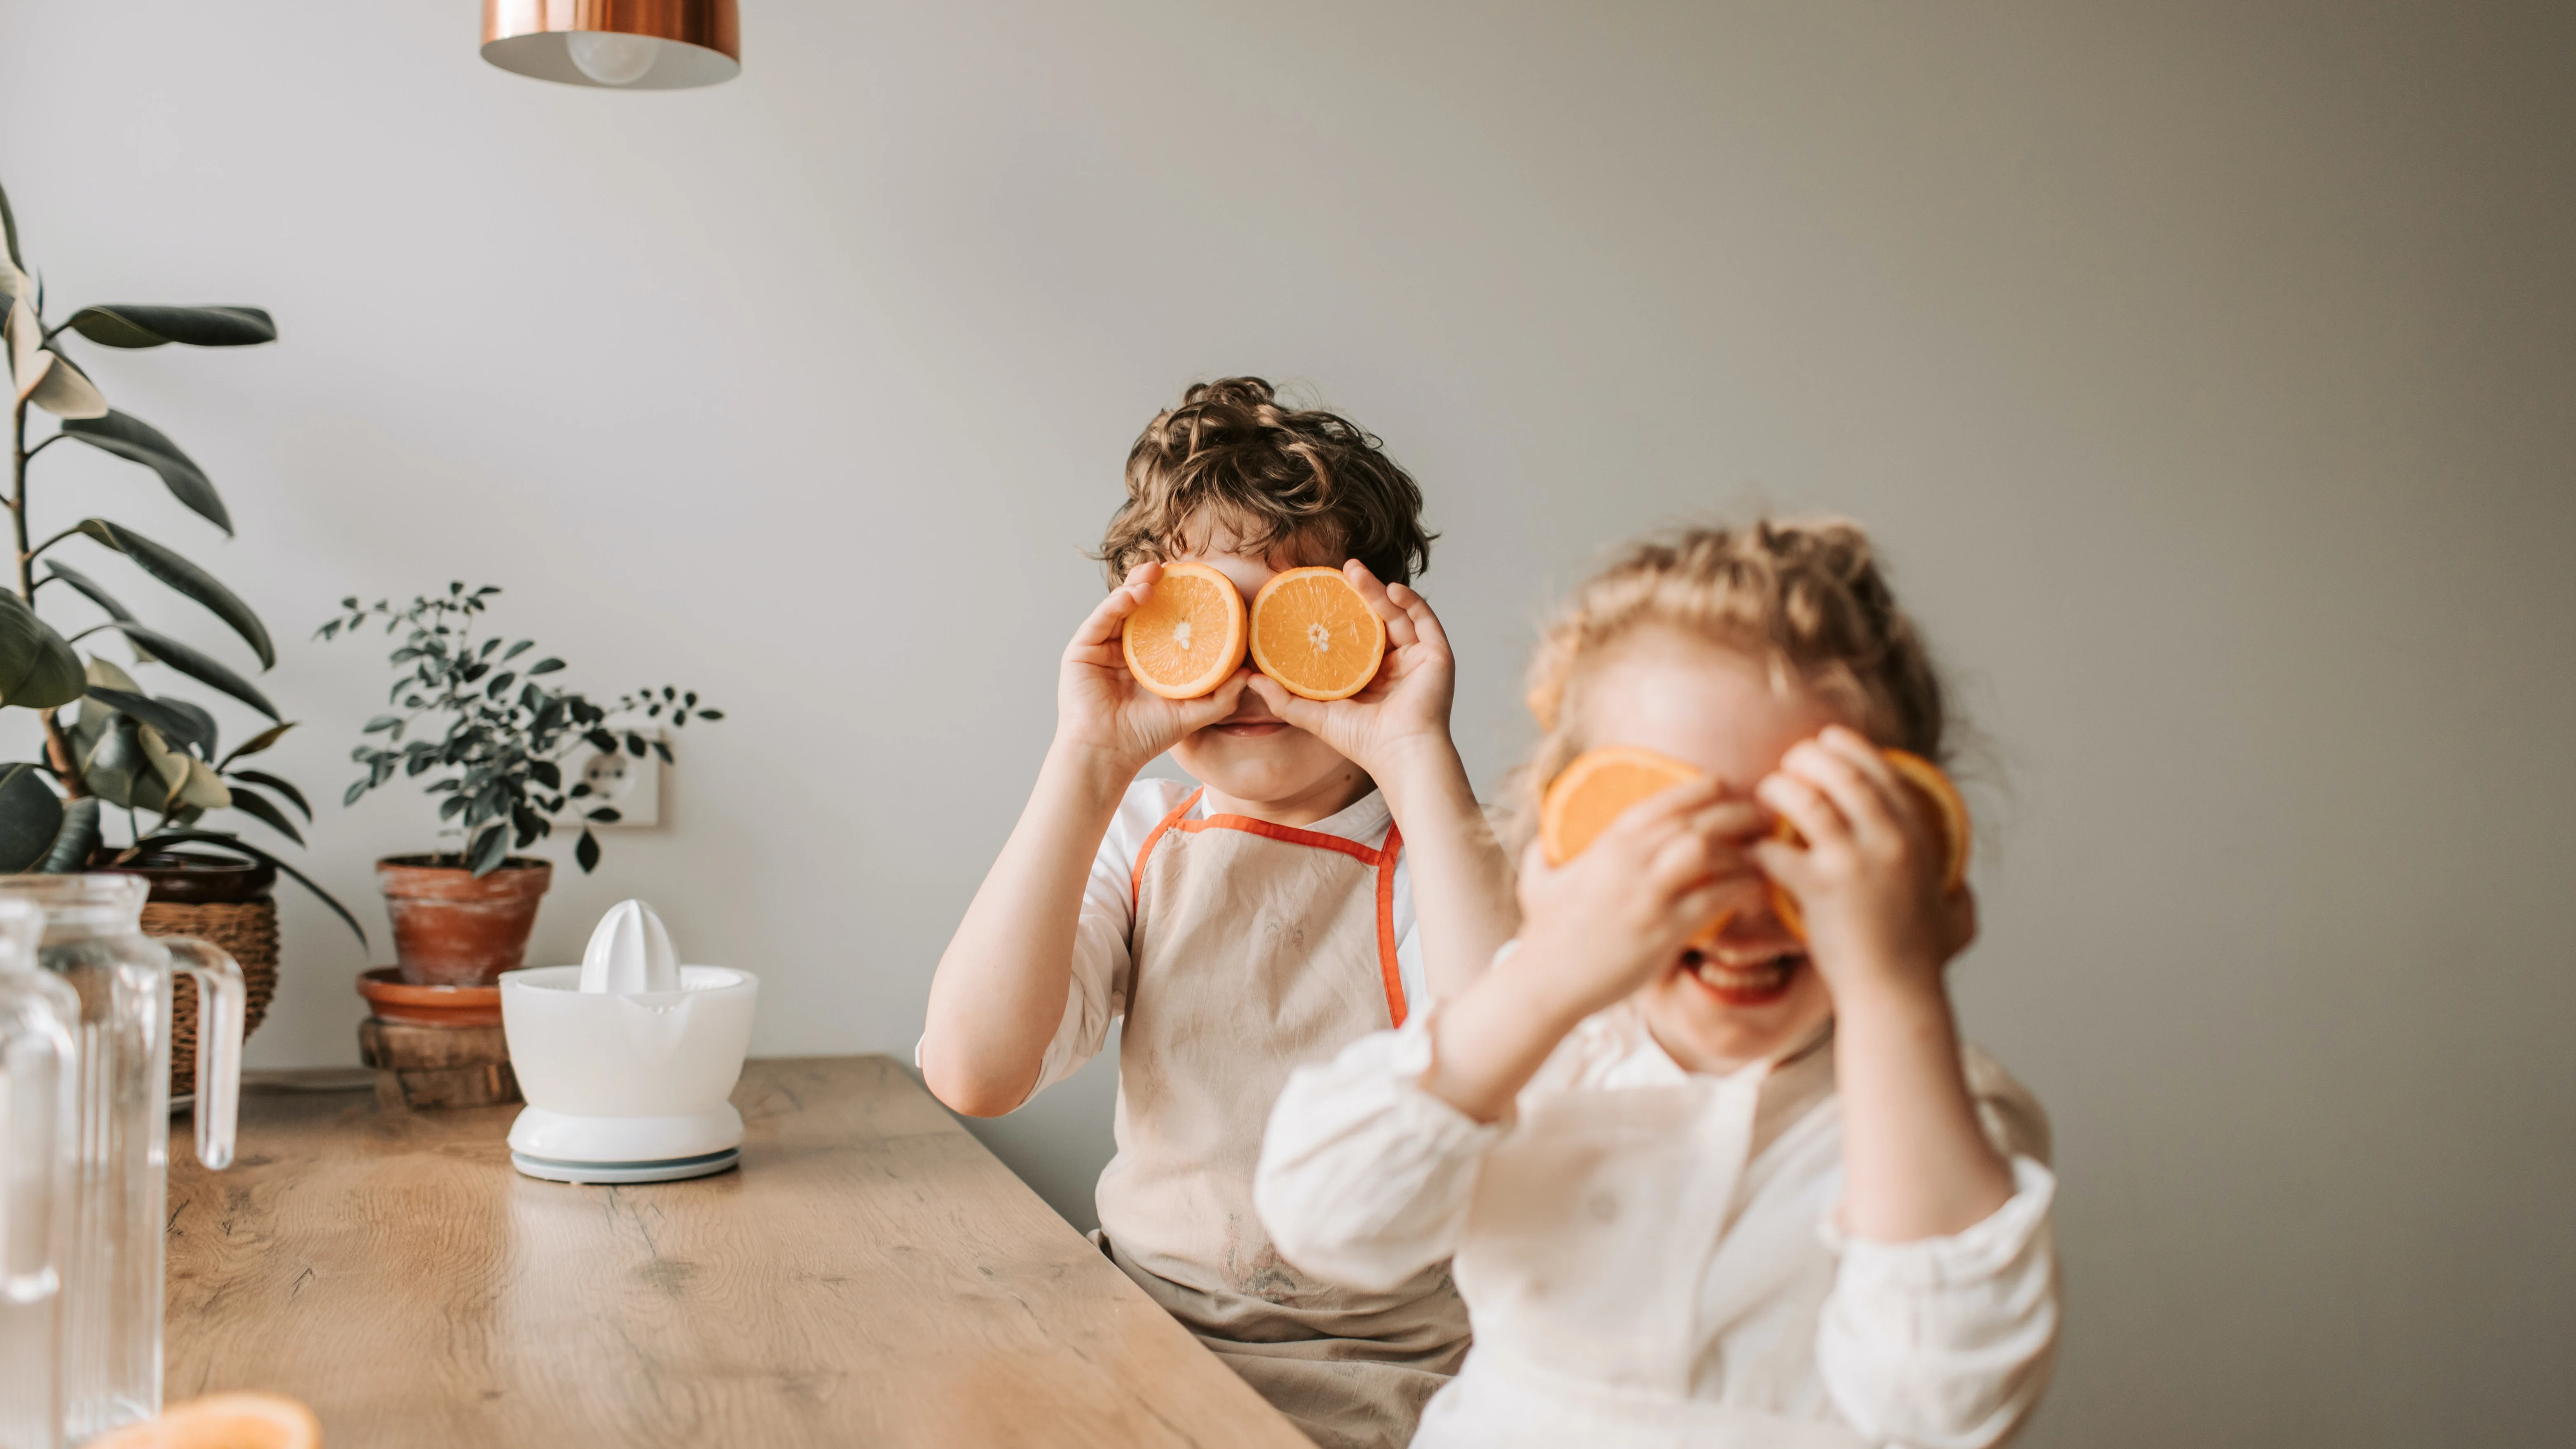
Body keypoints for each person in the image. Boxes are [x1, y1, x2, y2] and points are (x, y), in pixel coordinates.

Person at [1255, 520, 2059, 1448]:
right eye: (1672, 837)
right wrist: (1551, 968)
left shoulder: (1946, 1115)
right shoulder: (1541, 1042)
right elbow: (1326, 1225)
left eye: (1813, 835)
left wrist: (1893, 988)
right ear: (1564, 841)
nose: (1739, 906)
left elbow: (1944, 1412)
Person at [919, 378, 1516, 1449]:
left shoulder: (1442, 848)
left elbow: (1515, 1078)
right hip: (1135, 1328)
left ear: (1372, 625)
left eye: (1291, 623)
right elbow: (973, 1068)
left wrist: (1418, 756)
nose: (1243, 671)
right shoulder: (1139, 827)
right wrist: (1085, 760)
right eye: (1204, 617)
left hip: (1382, 1365)